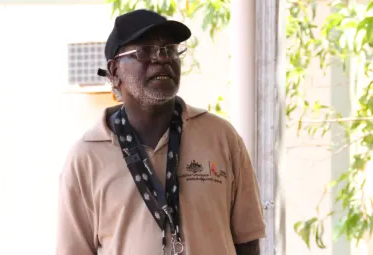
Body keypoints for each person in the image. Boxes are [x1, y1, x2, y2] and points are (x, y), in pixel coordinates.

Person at [56, 9, 266, 255]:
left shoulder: (220, 136)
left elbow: (247, 242)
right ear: (114, 72)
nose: (162, 58)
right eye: (145, 51)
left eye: (170, 50)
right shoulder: (86, 157)